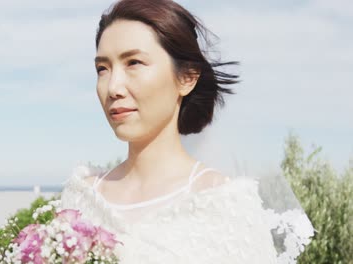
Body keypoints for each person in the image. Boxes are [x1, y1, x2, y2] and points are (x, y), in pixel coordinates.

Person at [60, 0, 314, 263]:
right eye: (102, 68)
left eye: (133, 62)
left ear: (187, 78)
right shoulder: (81, 197)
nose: (113, 87)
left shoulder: (224, 202)